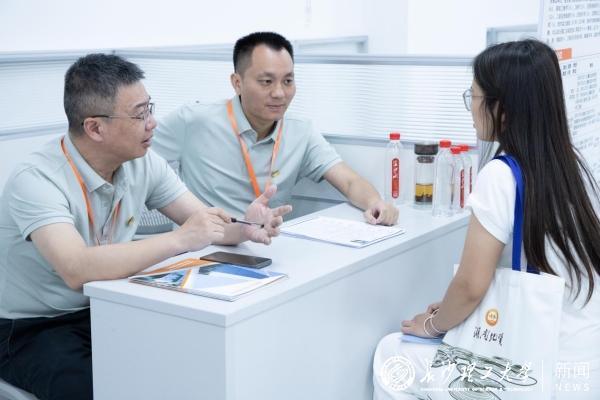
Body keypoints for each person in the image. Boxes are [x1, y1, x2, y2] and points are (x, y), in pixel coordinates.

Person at [0, 53, 291, 400]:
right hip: (33, 326)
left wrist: (245, 227)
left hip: (112, 303)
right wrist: (180, 240)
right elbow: (76, 269)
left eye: (149, 108)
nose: (153, 123)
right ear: (95, 128)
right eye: (139, 114)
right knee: (102, 390)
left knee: (187, 364)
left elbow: (203, 222)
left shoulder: (143, 163)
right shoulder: (37, 179)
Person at [373, 39, 600, 399]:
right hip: (584, 366)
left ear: (502, 109)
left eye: (475, 97)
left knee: (392, 354)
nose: (472, 108)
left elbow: (470, 286)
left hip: (536, 374)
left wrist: (432, 325)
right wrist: (452, 310)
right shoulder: (572, 166)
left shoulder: (501, 174)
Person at [152, 31, 399, 225]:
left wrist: (375, 203)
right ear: (237, 83)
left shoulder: (300, 131)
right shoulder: (193, 120)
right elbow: (134, 160)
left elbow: (350, 181)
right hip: (203, 250)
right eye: (266, 81)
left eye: (288, 81)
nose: (279, 93)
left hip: (268, 249)